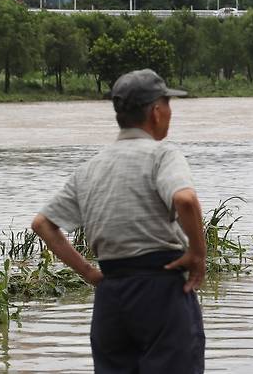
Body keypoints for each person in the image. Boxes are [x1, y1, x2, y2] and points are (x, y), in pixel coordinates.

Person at [31, 69, 206, 373]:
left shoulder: (90, 168)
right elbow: (186, 200)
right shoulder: (162, 155)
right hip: (160, 290)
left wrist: (90, 273)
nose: (170, 112)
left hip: (111, 298)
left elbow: (43, 224)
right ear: (155, 111)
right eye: (168, 104)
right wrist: (197, 254)